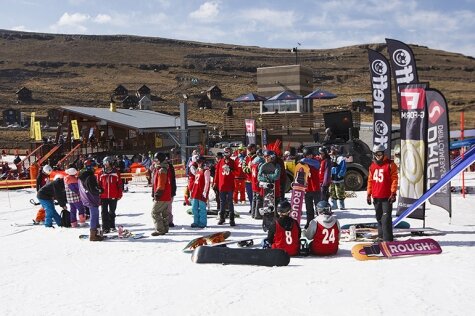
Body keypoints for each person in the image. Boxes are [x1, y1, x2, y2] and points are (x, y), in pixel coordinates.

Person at [367, 144, 398, 242]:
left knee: (386, 218)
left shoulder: (390, 164)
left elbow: (394, 179)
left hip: (387, 197)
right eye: (376, 154)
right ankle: (381, 236)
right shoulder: (372, 166)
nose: (378, 156)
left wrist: (393, 193)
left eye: (380, 153)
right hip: (376, 196)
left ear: (383, 153)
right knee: (379, 217)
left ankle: (388, 239)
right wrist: (368, 194)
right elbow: (370, 181)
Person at [79, 159, 104, 241]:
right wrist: (100, 190)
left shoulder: (83, 175)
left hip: (87, 198)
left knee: (95, 215)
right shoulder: (89, 176)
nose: (95, 169)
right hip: (91, 199)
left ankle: (96, 232)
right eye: (94, 167)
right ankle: (93, 234)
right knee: (94, 215)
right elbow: (92, 188)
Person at [98, 156, 123, 233]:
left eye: (107, 163)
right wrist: (98, 194)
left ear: (111, 163)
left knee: (112, 211)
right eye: (104, 163)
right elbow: (98, 185)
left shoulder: (116, 173)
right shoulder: (101, 173)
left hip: (113, 195)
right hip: (103, 196)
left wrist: (119, 194)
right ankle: (105, 227)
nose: (105, 165)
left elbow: (119, 184)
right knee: (104, 212)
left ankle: (112, 225)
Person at [214, 147, 238, 226]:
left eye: (228, 153)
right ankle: (222, 218)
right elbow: (217, 173)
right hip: (222, 185)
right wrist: (215, 183)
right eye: (225, 153)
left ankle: (232, 219)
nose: (226, 154)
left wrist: (231, 170)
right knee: (222, 202)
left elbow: (237, 173)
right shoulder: (220, 162)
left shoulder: (232, 162)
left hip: (230, 185)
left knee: (230, 202)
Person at [150, 152, 172, 236]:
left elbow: (161, 184)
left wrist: (157, 194)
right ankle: (165, 228)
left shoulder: (162, 170)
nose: (155, 161)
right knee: (164, 212)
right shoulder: (163, 168)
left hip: (162, 195)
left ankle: (160, 229)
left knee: (154, 212)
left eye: (156, 159)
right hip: (166, 195)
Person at [300, 147, 321, 229]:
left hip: (315, 189)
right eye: (307, 156)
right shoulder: (303, 165)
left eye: (310, 155)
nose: (309, 157)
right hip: (307, 189)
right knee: (309, 208)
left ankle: (320, 222)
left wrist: (304, 160)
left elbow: (316, 164)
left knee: (318, 208)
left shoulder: (315, 161)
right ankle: (309, 222)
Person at [190, 156, 211, 228]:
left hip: (201, 192)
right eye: (197, 162)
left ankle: (202, 222)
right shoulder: (197, 170)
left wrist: (205, 191)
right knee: (194, 208)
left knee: (202, 208)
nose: (198, 164)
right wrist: (192, 190)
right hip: (195, 192)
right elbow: (195, 181)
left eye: (199, 162)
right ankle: (196, 221)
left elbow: (207, 182)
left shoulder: (206, 171)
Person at [329, 145, 347, 210]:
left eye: (332, 150)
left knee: (340, 191)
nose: (331, 151)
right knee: (332, 191)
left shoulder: (341, 158)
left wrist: (340, 174)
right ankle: (334, 204)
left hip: (338, 178)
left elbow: (343, 167)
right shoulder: (330, 158)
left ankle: (342, 205)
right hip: (332, 178)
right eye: (331, 150)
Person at [242, 144, 257, 212]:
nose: (250, 150)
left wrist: (253, 168)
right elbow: (243, 168)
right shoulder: (246, 158)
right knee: (250, 196)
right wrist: (249, 169)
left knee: (256, 196)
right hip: (248, 181)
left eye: (252, 149)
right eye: (249, 149)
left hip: (256, 180)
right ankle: (252, 207)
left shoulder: (258, 157)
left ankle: (256, 208)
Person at [250, 150, 264, 219]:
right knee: (259, 199)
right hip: (258, 182)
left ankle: (253, 213)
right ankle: (257, 214)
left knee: (254, 199)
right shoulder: (261, 162)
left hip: (253, 182)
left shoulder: (253, 161)